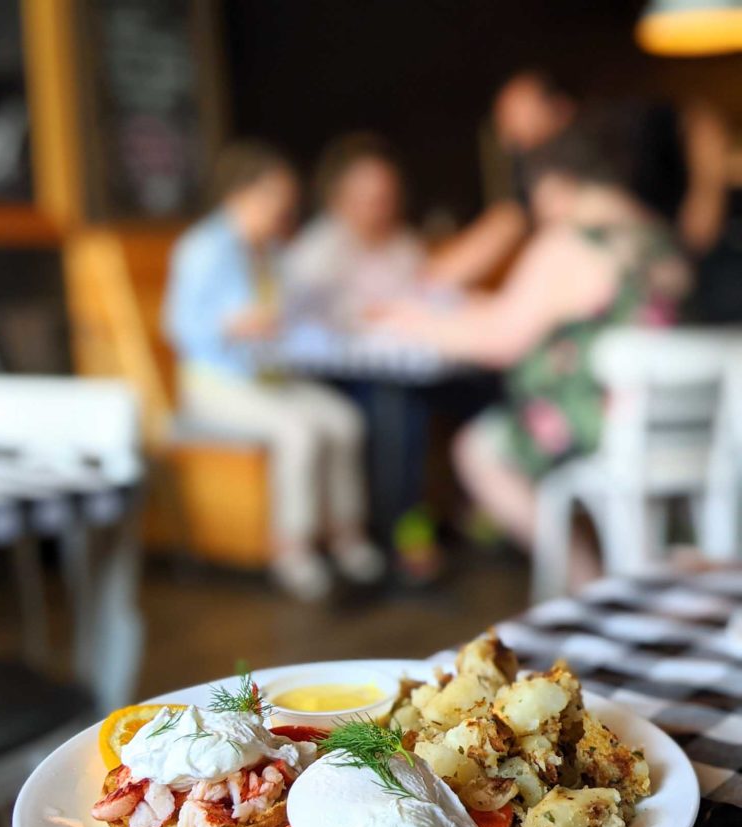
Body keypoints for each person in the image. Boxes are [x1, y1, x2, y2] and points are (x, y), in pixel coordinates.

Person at [376, 130, 690, 587]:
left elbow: (500, 339)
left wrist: (411, 321)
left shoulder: (570, 243)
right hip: (675, 426)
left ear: (557, 183)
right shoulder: (660, 237)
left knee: (478, 449)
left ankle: (589, 585)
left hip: (598, 425)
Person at [163, 139, 383, 600]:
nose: (283, 211)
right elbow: (178, 326)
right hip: (215, 382)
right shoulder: (203, 248)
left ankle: (346, 536)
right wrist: (233, 324)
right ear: (241, 194)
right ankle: (292, 548)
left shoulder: (270, 252)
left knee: (344, 421)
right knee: (298, 431)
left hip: (270, 377)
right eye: (275, 199)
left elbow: (295, 310)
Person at [428, 71, 727, 293]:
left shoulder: (610, 122)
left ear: (559, 106)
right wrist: (431, 278)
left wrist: (706, 196)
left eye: (514, 112)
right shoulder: (532, 165)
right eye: (502, 118)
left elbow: (700, 118)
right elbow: (505, 223)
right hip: (636, 283)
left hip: (696, 258)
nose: (508, 130)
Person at [284, 133, 424, 330]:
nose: (379, 211)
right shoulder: (318, 250)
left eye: (385, 199)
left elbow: (425, 291)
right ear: (339, 197)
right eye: (369, 200)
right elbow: (308, 318)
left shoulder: (403, 243)